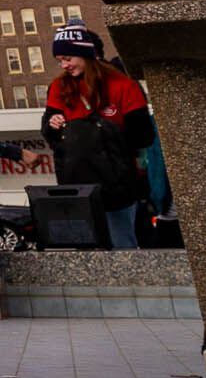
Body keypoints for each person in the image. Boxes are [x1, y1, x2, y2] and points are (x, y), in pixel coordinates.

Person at [43, 23, 155, 247]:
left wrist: (104, 137)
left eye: (68, 58)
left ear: (85, 54)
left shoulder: (123, 85)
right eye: (60, 60)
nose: (64, 65)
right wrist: (52, 124)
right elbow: (49, 133)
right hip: (76, 184)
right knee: (87, 248)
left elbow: (143, 135)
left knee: (122, 243)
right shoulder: (59, 86)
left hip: (117, 182)